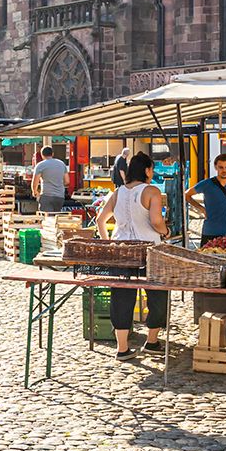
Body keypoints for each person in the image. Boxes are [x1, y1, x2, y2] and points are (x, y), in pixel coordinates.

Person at [96, 153, 169, 359]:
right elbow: (156, 221)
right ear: (147, 170)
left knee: (121, 297)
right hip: (149, 251)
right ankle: (152, 341)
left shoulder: (117, 192)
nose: (152, 173)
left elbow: (101, 220)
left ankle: (122, 348)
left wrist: (107, 243)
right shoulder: (152, 191)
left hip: (122, 250)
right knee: (157, 294)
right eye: (152, 169)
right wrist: (165, 232)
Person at [30, 145, 70, 213]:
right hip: (60, 197)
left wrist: (35, 192)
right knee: (56, 218)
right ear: (53, 154)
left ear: (42, 155)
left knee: (47, 219)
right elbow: (67, 181)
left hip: (47, 195)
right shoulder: (61, 164)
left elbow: (35, 182)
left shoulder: (40, 165)